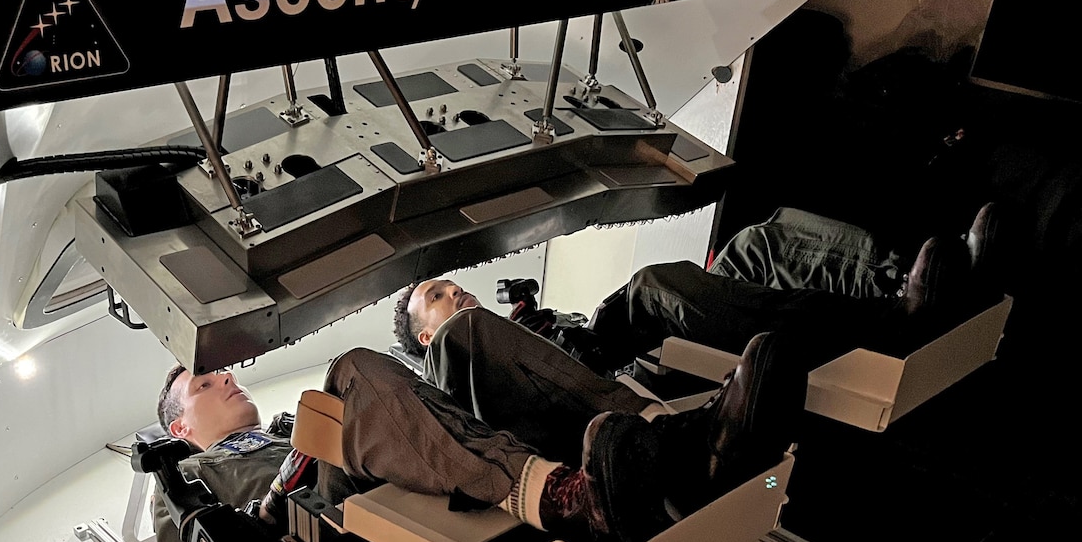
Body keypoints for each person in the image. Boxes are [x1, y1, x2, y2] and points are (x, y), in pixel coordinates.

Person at [152, 325, 806, 542]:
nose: (227, 377)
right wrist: (272, 497)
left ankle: (679, 443)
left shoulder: (291, 425)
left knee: (465, 334)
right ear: (181, 426)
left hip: (407, 474)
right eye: (206, 382)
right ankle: (559, 496)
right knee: (349, 371)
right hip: (325, 530)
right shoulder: (185, 480)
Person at [395, 204, 1006, 377]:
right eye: (440, 295)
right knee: (653, 285)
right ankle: (897, 318)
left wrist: (530, 310)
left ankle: (898, 281)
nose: (458, 291)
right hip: (602, 362)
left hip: (595, 336)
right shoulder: (453, 369)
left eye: (452, 284)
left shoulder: (498, 330)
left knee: (761, 240)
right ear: (428, 335)